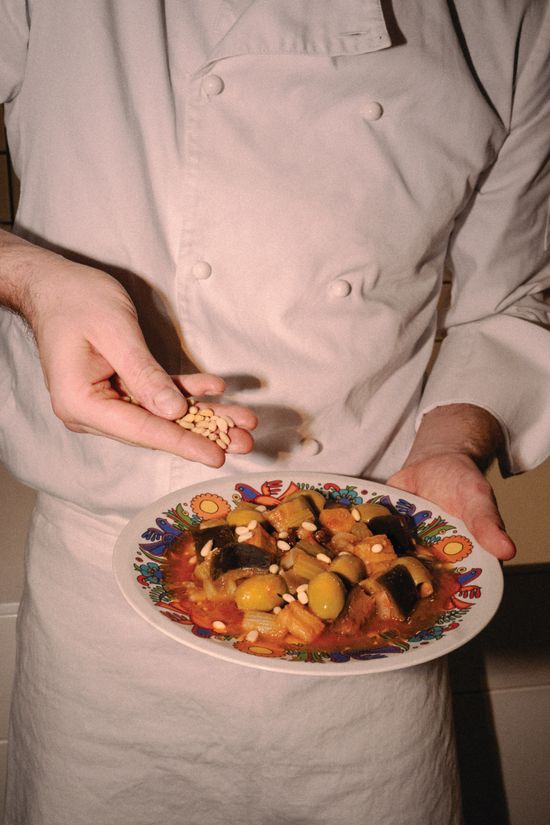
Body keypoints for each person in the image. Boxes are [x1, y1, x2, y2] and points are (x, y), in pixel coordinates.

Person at [0, 2, 548, 823]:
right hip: (102, 613)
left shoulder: (518, 17)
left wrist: (451, 442)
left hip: (371, 616)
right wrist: (25, 275)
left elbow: (501, 302)